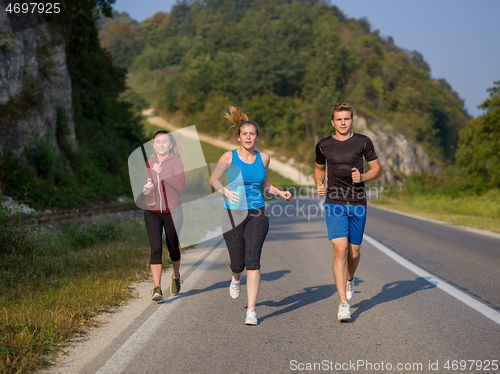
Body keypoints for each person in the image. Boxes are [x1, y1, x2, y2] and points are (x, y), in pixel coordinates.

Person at [210, 107, 292, 325]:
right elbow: (214, 178)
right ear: (239, 137)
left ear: (257, 137)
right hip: (232, 214)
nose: (248, 137)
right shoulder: (229, 156)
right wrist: (225, 191)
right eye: (244, 134)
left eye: (252, 134)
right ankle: (235, 277)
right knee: (237, 263)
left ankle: (251, 310)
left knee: (253, 261)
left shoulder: (263, 158)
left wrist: (279, 191)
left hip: (257, 212)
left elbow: (264, 183)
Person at [314, 102, 380, 322]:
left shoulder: (363, 142)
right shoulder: (323, 145)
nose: (343, 123)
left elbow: (376, 169)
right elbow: (319, 168)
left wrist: (362, 177)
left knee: (353, 252)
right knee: (340, 250)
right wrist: (318, 182)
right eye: (339, 119)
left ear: (352, 120)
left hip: (358, 202)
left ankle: (349, 278)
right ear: (332, 122)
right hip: (334, 202)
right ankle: (343, 303)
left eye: (347, 119)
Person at [143, 130, 186, 301]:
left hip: (173, 212)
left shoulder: (176, 162)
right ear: (153, 145)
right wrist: (146, 190)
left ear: (171, 144)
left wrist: (162, 172)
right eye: (158, 142)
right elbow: (148, 184)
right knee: (155, 248)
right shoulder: (149, 162)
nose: (161, 145)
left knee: (173, 247)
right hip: (152, 211)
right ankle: (157, 288)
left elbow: (181, 186)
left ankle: (176, 276)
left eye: (165, 142)